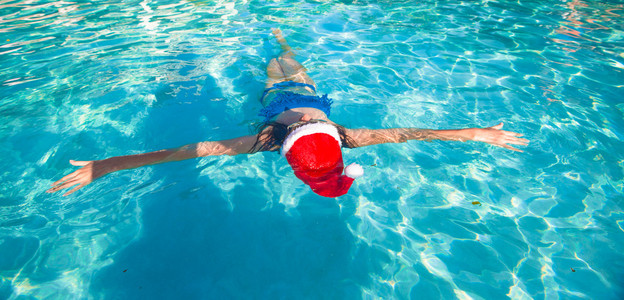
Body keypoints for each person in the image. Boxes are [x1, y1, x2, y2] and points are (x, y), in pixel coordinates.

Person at [47, 29, 528, 198]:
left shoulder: (261, 141)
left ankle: (275, 49)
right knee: (290, 62)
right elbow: (414, 134)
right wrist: (475, 133)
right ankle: (281, 40)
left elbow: (182, 152)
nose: (302, 122)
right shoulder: (350, 136)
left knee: (272, 74)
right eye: (310, 125)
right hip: (309, 88)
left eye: (304, 127)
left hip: (270, 99)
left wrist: (106, 165)